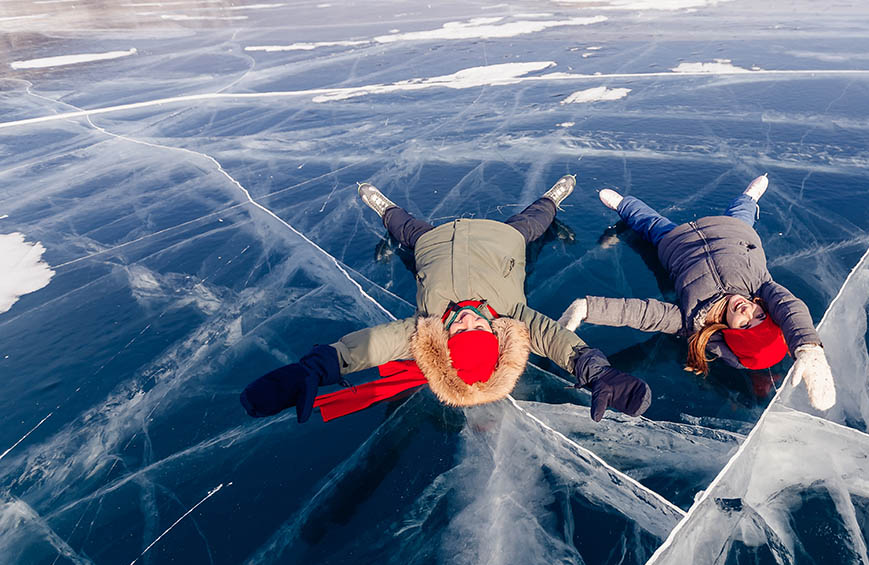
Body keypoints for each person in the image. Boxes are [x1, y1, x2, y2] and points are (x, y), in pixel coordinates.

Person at [240, 175, 652, 424]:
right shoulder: (515, 319)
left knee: (404, 228)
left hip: (433, 245)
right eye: (478, 327)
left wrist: (316, 367)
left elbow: (367, 347)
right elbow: (559, 342)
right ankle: (553, 198)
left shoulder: (423, 327)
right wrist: (597, 373)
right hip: (502, 241)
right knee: (536, 222)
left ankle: (383, 207)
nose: (467, 318)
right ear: (495, 333)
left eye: (459, 330)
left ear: (444, 340)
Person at [557, 175, 836, 411]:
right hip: (734, 231)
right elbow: (790, 309)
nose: (747, 310)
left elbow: (643, 314)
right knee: (742, 210)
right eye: (760, 313)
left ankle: (624, 204)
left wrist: (587, 308)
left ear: (727, 331)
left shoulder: (691, 318)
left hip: (678, 243)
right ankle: (750, 197)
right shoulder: (761, 286)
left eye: (745, 324)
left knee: (649, 223)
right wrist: (808, 346)